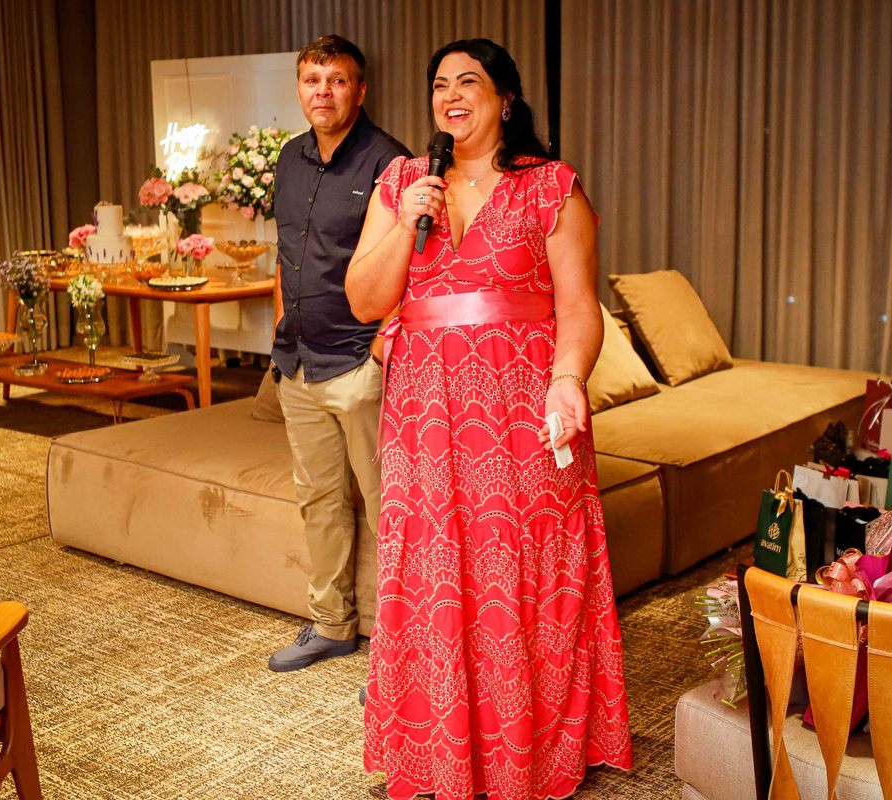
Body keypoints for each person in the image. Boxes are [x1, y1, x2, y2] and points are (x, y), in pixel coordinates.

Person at [346, 38, 632, 800]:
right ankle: (441, 752)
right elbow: (365, 301)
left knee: (523, 576)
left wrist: (568, 381)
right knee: (433, 575)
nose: (451, 96)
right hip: (424, 420)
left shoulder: (550, 188)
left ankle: (525, 754)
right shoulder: (403, 182)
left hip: (523, 413)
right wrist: (405, 223)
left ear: (505, 98)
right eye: (440, 84)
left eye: (468, 82)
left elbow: (579, 308)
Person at [266, 35, 410, 673]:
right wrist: (280, 324)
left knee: (388, 508)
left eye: (337, 80)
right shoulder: (289, 158)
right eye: (312, 80)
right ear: (300, 88)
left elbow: (416, 266)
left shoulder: (391, 162)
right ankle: (331, 624)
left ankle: (405, 650)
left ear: (361, 89)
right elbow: (286, 253)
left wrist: (380, 349)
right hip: (297, 361)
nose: (322, 92)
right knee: (318, 501)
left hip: (358, 364)